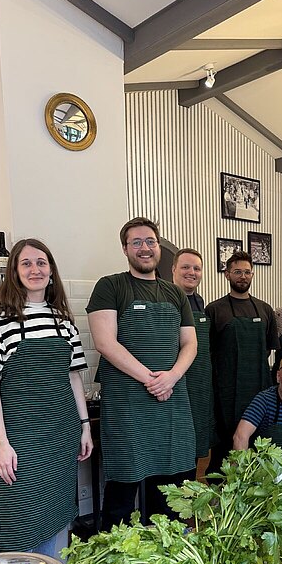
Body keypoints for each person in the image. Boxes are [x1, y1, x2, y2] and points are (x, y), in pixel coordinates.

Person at [87, 217, 197, 530]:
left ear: (158, 247)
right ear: (125, 249)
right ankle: (114, 563)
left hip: (171, 403)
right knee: (122, 491)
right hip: (128, 407)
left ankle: (164, 560)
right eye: (136, 242)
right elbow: (105, 343)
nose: (144, 248)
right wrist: (152, 379)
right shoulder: (110, 286)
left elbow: (190, 343)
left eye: (149, 241)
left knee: (168, 494)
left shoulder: (175, 293)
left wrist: (172, 376)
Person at [0, 239, 93, 555]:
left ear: (51, 270)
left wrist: (85, 426)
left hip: (61, 436)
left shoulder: (62, 319)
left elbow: (74, 377)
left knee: (59, 517)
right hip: (20, 441)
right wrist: (1, 444)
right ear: (15, 272)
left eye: (42, 262)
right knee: (20, 519)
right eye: (27, 263)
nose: (36, 269)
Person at [206, 250, 279, 469]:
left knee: (259, 444)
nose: (243, 276)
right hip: (226, 393)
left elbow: (268, 349)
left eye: (247, 272)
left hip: (259, 389)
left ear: (253, 275)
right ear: (227, 274)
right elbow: (208, 352)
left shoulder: (265, 309)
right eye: (237, 272)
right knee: (225, 448)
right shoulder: (214, 310)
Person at [172, 247, 215, 461]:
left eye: (197, 268)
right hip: (177, 381)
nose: (192, 272)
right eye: (186, 267)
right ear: (173, 270)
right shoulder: (167, 300)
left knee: (197, 440)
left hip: (199, 383)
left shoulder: (200, 302)